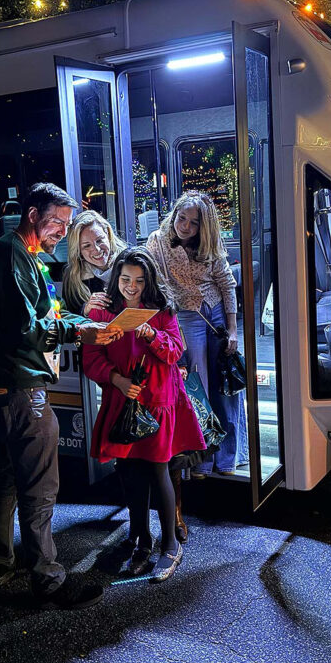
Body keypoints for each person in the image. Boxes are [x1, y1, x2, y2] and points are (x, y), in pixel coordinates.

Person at [0, 183, 123, 609]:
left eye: (67, 224)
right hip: (19, 387)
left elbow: (48, 314)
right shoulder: (11, 255)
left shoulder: (27, 255)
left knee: (11, 473)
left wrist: (84, 323)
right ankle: (49, 579)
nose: (62, 231)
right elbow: (26, 328)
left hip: (5, 386)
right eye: (57, 221)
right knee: (39, 483)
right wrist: (81, 330)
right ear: (33, 215)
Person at [83, 247, 205, 581]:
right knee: (128, 471)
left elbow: (175, 350)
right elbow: (91, 357)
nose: (131, 286)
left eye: (138, 280)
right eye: (124, 279)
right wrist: (116, 379)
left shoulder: (161, 310)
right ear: (116, 279)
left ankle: (170, 545)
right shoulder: (103, 313)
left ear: (148, 280)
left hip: (158, 401)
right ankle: (141, 540)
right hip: (123, 400)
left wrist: (151, 334)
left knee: (157, 470)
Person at [147, 192, 247, 479]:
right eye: (182, 218)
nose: (185, 226)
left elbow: (228, 286)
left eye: (193, 223)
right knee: (196, 387)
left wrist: (232, 329)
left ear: (204, 227)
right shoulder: (157, 242)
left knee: (225, 386)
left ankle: (229, 458)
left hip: (214, 312)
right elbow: (149, 277)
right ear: (174, 214)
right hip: (184, 316)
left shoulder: (210, 246)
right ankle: (201, 460)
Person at [62, 209, 127, 315]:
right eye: (87, 246)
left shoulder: (130, 261)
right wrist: (85, 310)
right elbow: (69, 318)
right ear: (78, 250)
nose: (97, 249)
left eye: (100, 240)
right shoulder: (72, 276)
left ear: (108, 234)